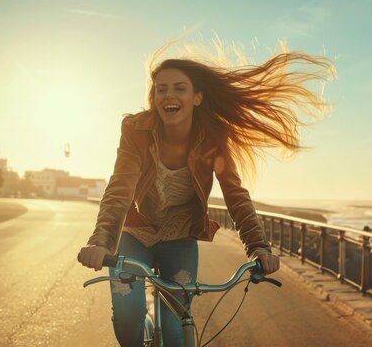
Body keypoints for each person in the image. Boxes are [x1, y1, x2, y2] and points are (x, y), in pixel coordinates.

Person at [77, 47, 334, 346]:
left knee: (176, 331)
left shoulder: (213, 138)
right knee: (128, 318)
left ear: (197, 97)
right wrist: (100, 243)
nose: (168, 95)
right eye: (161, 89)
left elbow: (234, 194)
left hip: (181, 239)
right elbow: (120, 189)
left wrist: (259, 248)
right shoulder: (136, 129)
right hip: (135, 235)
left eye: (179, 88)